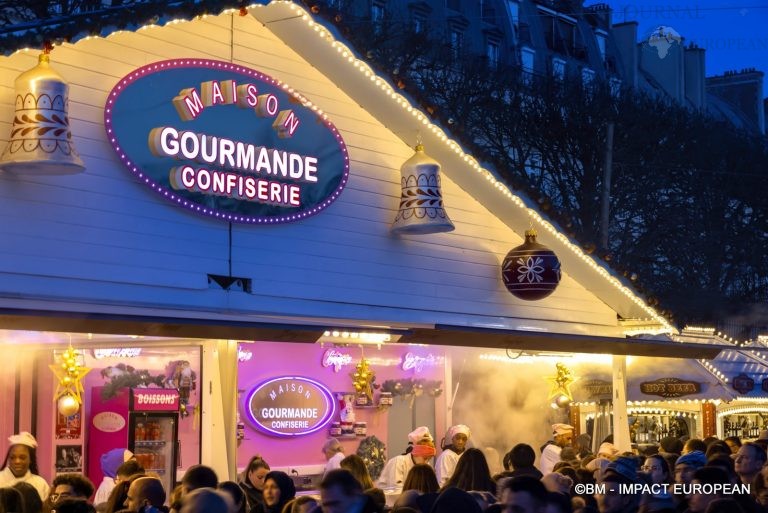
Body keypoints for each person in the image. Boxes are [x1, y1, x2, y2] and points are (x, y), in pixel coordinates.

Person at [0, 431, 50, 500]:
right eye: (12, 457)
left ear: (31, 459)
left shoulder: (40, 484)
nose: (17, 461)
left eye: (22, 457)